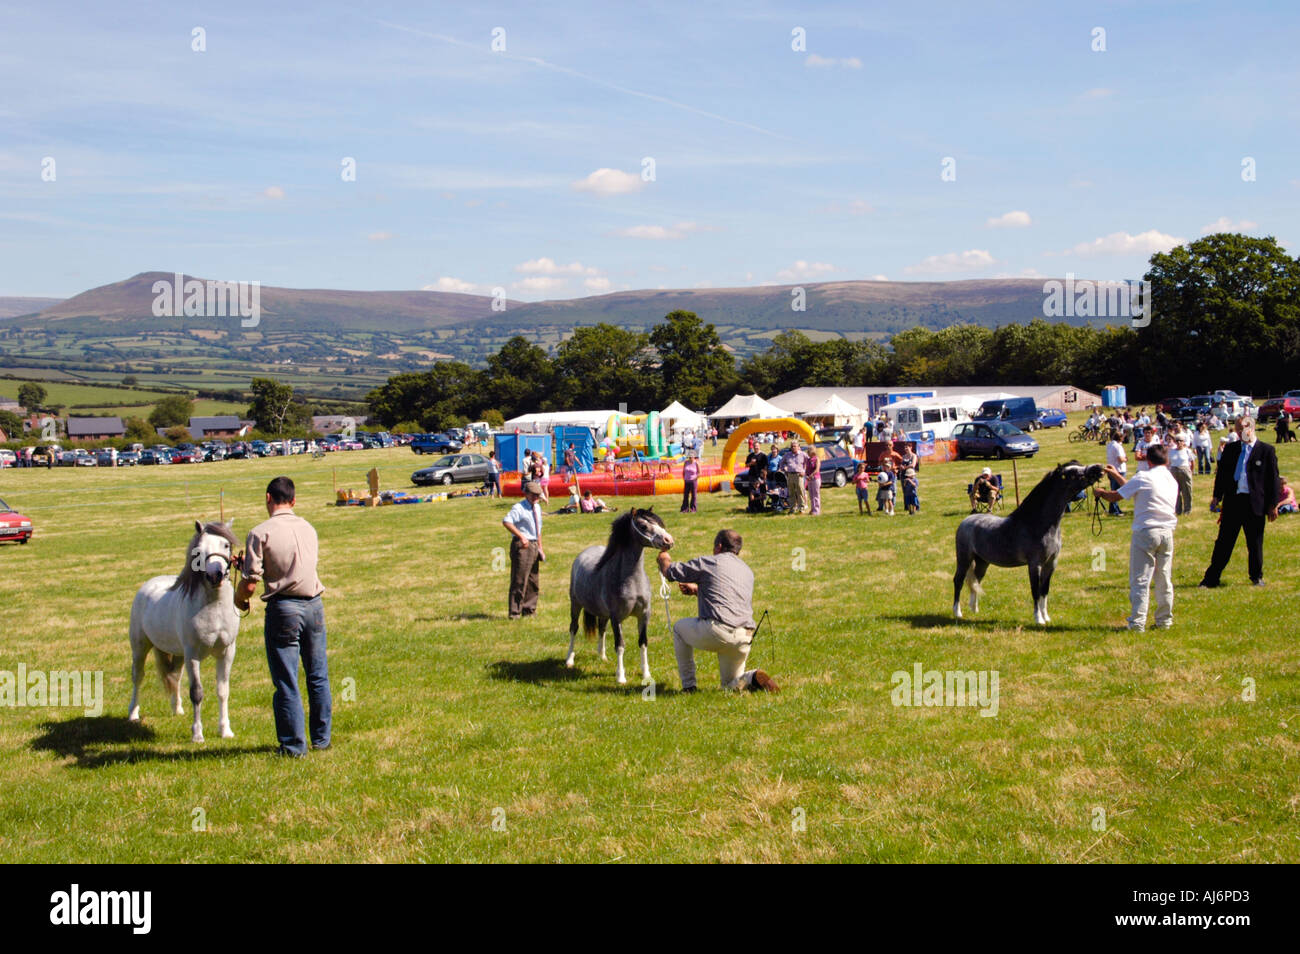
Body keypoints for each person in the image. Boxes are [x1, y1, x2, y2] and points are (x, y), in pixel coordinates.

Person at [235, 476, 331, 757]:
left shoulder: (259, 532)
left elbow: (250, 584)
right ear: (294, 500)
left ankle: (293, 746)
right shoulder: (309, 528)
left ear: (268, 498)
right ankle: (321, 740)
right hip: (314, 606)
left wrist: (239, 598)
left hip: (284, 609)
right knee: (317, 675)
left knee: (287, 680)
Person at [656, 530, 778, 693]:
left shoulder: (709, 562)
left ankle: (689, 686)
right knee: (730, 686)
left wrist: (664, 560)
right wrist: (699, 590)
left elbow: (670, 573)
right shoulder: (747, 570)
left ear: (719, 546)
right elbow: (727, 593)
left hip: (717, 632)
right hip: (744, 637)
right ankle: (753, 676)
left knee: (678, 629)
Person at [1094, 444, 1178, 632]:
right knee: (1164, 578)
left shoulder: (1144, 477)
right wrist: (1115, 474)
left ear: (1147, 460)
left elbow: (1117, 496)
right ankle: (1165, 620)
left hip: (1146, 532)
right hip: (1167, 533)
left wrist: (1101, 493)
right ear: (1166, 460)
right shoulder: (1171, 479)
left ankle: (1137, 622)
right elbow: (1133, 488)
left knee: (1140, 579)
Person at [1199, 416, 1280, 588]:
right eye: (1237, 429)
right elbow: (1222, 475)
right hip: (1233, 502)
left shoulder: (1266, 451)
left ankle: (1256, 577)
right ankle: (1211, 578)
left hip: (1254, 504)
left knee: (1255, 543)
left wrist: (1273, 505)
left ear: (1251, 428)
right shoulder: (1231, 449)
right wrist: (1216, 496)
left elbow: (1273, 480)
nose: (1239, 432)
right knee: (1223, 543)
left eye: (1242, 428)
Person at [503, 481, 545, 617]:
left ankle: (529, 609)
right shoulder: (519, 508)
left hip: (534, 545)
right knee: (519, 580)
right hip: (522, 547)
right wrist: (521, 536)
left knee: (533, 581)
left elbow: (538, 529)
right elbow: (507, 521)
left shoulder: (537, 508)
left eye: (538, 495)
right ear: (526, 494)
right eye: (533, 495)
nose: (536, 498)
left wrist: (540, 547)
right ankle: (515, 612)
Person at [1167, 434, 1194, 516]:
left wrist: (1191, 472)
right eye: (1177, 441)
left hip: (1184, 470)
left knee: (1187, 491)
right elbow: (1168, 463)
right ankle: (1178, 510)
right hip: (1174, 471)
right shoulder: (1171, 451)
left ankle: (1187, 510)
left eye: (1181, 441)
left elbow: (1192, 462)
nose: (1179, 442)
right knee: (1176, 492)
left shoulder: (1187, 451)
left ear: (1183, 442)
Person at [780, 441, 808, 514]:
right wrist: (784, 468)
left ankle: (801, 508)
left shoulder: (803, 454)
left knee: (800, 492)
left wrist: (804, 471)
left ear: (798, 447)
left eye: (795, 446)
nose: (793, 448)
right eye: (792, 446)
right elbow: (781, 463)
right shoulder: (787, 455)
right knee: (791, 492)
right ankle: (792, 508)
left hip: (799, 475)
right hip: (790, 475)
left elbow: (808, 463)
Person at [1105, 429, 1128, 516]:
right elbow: (1120, 459)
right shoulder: (1118, 446)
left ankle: (1113, 509)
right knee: (1117, 491)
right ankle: (1115, 510)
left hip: (1111, 469)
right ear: (1121, 438)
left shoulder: (1109, 445)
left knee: (1113, 489)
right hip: (1118, 470)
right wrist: (1126, 459)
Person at [803, 446, 822, 516]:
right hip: (809, 479)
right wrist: (806, 475)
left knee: (816, 494)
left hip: (815, 478)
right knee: (811, 495)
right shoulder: (808, 460)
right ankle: (812, 508)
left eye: (809, 450)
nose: (808, 452)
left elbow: (817, 469)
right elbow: (806, 469)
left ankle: (817, 510)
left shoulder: (817, 459)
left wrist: (811, 475)